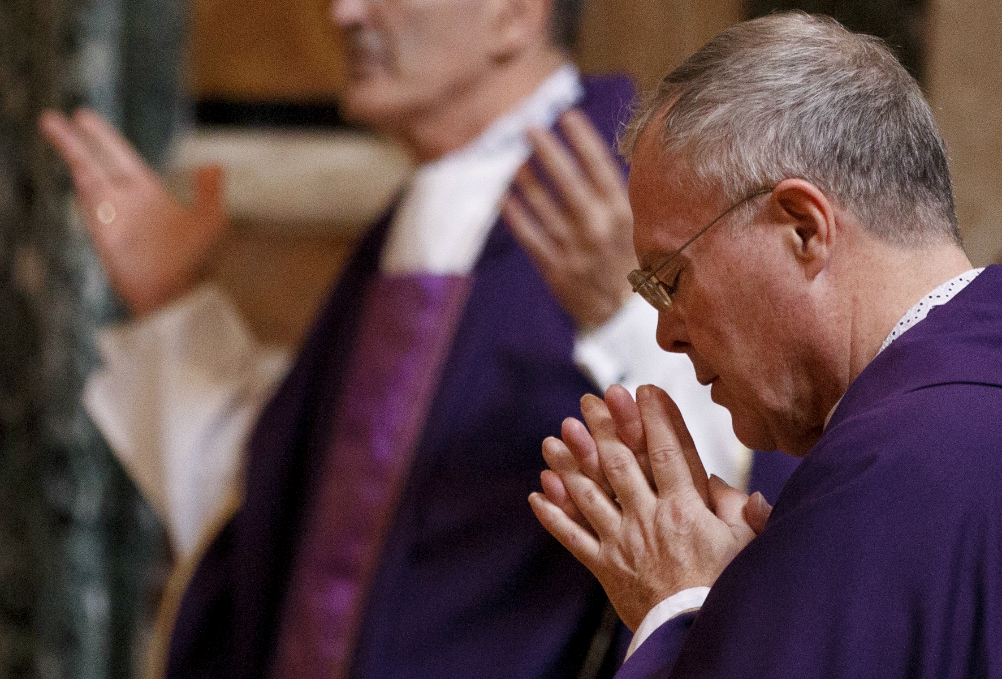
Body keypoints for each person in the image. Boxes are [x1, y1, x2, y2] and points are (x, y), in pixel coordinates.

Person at [39, 0, 755, 678]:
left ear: (513, 13)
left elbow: (739, 522)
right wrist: (171, 299)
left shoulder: (639, 209)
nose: (344, 11)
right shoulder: (408, 224)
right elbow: (291, 531)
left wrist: (623, 318)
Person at [531, 12, 1002, 679]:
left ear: (804, 229)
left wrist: (684, 609)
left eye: (671, 277)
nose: (667, 328)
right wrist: (771, 602)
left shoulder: (889, 475)